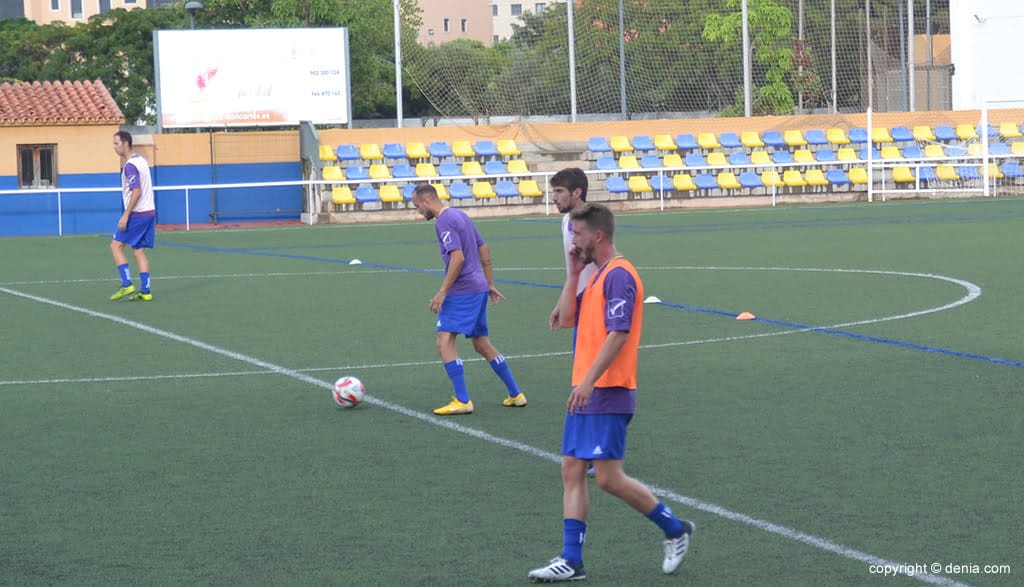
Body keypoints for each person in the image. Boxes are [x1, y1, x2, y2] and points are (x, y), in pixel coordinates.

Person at [528, 203, 694, 583]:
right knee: (571, 468)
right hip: (587, 388)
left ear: (597, 236)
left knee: (607, 478)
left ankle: (675, 528)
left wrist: (588, 381)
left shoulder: (620, 275)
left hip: (607, 388)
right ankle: (572, 560)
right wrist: (572, 275)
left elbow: (618, 334)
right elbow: (567, 320)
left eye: (578, 233)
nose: (573, 239)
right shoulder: (597, 274)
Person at [410, 184, 526, 415]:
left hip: (462, 291)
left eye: (417, 207)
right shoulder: (460, 215)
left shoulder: (443, 221)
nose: (418, 212)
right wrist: (489, 283)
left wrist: (443, 291)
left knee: (444, 342)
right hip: (478, 288)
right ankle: (516, 394)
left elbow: (458, 257)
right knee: (481, 343)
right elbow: (484, 250)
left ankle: (463, 400)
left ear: (426, 201)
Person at [547, 167, 597, 331]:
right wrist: (561, 304)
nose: (554, 198)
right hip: (580, 305)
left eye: (559, 191)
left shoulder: (594, 222)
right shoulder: (566, 220)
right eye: (554, 191)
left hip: (596, 305)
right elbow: (573, 273)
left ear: (577, 192)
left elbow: (607, 265)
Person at [109, 130, 156, 302]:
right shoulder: (141, 161)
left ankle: (126, 284)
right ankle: (145, 291)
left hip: (138, 213)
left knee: (115, 246)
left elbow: (136, 190)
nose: (114, 147)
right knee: (138, 251)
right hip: (149, 212)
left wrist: (125, 216)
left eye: (116, 143)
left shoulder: (130, 165)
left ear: (125, 144)